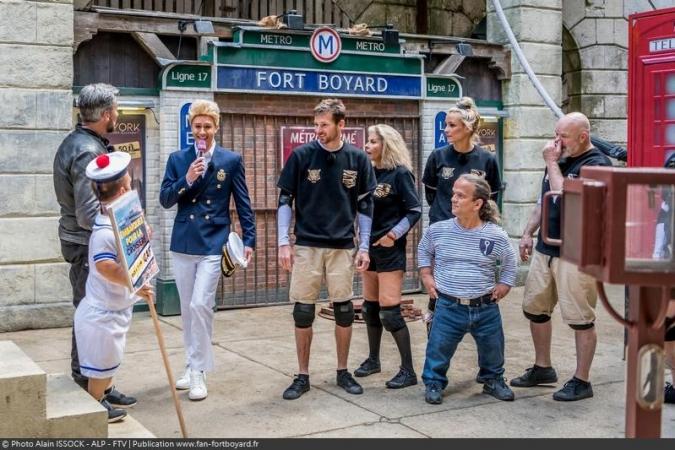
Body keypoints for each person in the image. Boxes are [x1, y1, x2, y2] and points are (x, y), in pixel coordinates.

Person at [277, 98, 376, 400]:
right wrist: (283, 241)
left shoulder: (358, 159)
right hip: (307, 245)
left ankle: (342, 371)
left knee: (344, 310)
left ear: (340, 124)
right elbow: (285, 199)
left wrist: (365, 245)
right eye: (315, 124)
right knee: (303, 312)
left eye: (323, 124)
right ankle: (303, 375)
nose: (317, 130)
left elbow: (366, 204)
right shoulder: (302, 156)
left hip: (343, 247)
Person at [159, 100, 256, 401]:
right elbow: (164, 199)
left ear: (216, 127)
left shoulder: (230, 160)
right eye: (197, 126)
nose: (202, 131)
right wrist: (187, 179)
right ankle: (191, 364)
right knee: (188, 309)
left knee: (201, 304)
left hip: (215, 240)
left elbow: (243, 202)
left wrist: (249, 239)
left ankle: (199, 370)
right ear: (191, 129)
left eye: (207, 126)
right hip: (184, 241)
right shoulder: (178, 159)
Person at [511, 112, 611, 401]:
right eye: (556, 135)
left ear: (583, 136)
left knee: (580, 317)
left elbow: (567, 196)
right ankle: (543, 368)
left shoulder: (596, 164)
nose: (556, 142)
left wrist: (551, 162)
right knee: (535, 309)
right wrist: (529, 232)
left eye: (563, 137)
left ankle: (582, 380)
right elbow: (545, 200)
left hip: (577, 251)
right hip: (546, 246)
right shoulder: (560, 159)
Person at [53, 83, 135, 407]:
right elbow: (89, 214)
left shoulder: (85, 142)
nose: (117, 114)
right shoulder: (88, 150)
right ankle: (87, 392)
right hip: (86, 245)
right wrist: (125, 228)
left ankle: (102, 384)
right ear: (104, 115)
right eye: (115, 109)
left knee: (96, 320)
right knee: (91, 319)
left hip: (84, 242)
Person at [418, 174, 517, 404]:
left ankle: (493, 380)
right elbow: (423, 251)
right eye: (453, 193)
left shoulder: (495, 235)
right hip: (448, 307)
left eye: (460, 195)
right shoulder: (438, 230)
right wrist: (426, 275)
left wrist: (504, 285)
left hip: (485, 308)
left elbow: (510, 265)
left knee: (493, 349)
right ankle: (433, 382)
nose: (453, 199)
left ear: (477, 203)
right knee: (438, 349)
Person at [74, 151, 154, 423]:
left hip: (114, 307)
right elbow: (105, 266)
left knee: (111, 359)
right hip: (101, 315)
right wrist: (136, 283)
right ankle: (94, 407)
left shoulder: (117, 216)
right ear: (122, 190)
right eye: (129, 182)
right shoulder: (104, 231)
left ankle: (106, 393)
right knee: (100, 367)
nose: (131, 185)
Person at [421, 97, 502, 334]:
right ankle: (435, 334)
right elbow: (431, 195)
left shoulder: (487, 159)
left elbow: (491, 199)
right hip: (443, 230)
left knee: (472, 282)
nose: (446, 130)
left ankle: (478, 328)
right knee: (438, 287)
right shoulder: (438, 156)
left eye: (452, 125)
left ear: (468, 128)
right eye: (446, 124)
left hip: (475, 233)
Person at [353, 124, 421, 389]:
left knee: (390, 312)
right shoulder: (366, 173)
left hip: (390, 248)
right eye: (367, 142)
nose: (367, 146)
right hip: (368, 248)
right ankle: (373, 360)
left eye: (372, 142)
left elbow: (414, 210)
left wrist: (393, 235)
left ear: (386, 144)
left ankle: (408, 370)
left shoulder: (401, 174)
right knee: (370, 308)